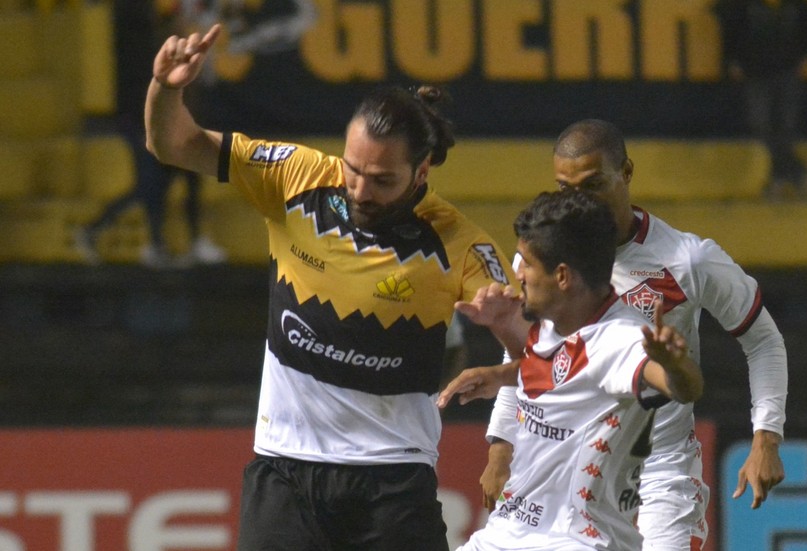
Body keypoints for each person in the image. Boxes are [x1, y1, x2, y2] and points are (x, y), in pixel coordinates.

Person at [145, 24, 519, 551]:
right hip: (285, 469)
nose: (361, 191)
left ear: (421, 171)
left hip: (393, 478)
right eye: (353, 170)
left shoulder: (460, 244)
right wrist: (166, 87)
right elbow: (173, 143)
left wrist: (507, 328)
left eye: (382, 179)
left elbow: (551, 358)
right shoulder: (294, 177)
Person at [460, 120, 788, 549]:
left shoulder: (687, 260)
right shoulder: (544, 256)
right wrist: (502, 445)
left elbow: (762, 338)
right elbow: (531, 352)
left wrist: (766, 435)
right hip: (572, 474)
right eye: (564, 188)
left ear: (627, 173)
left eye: (593, 184)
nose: (578, 199)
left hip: (658, 473)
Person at [437, 189, 704, 551]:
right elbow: (552, 371)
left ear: (562, 276)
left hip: (575, 539)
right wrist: (501, 348)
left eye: (528, 264)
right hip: (508, 532)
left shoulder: (618, 340)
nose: (519, 274)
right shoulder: (555, 319)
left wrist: (673, 364)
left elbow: (683, 388)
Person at [74, 0, 226, 268]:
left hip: (165, 126)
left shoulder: (172, 47)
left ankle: (187, 243)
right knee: (151, 185)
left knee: (184, 179)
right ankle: (142, 241)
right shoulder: (149, 47)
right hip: (143, 124)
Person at [714, 0, 807, 200]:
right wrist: (733, 60)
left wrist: (803, 57)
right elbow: (733, 29)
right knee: (761, 125)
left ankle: (779, 178)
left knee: (786, 126)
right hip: (756, 71)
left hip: (787, 71)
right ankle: (797, 173)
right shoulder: (746, 6)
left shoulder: (794, 5)